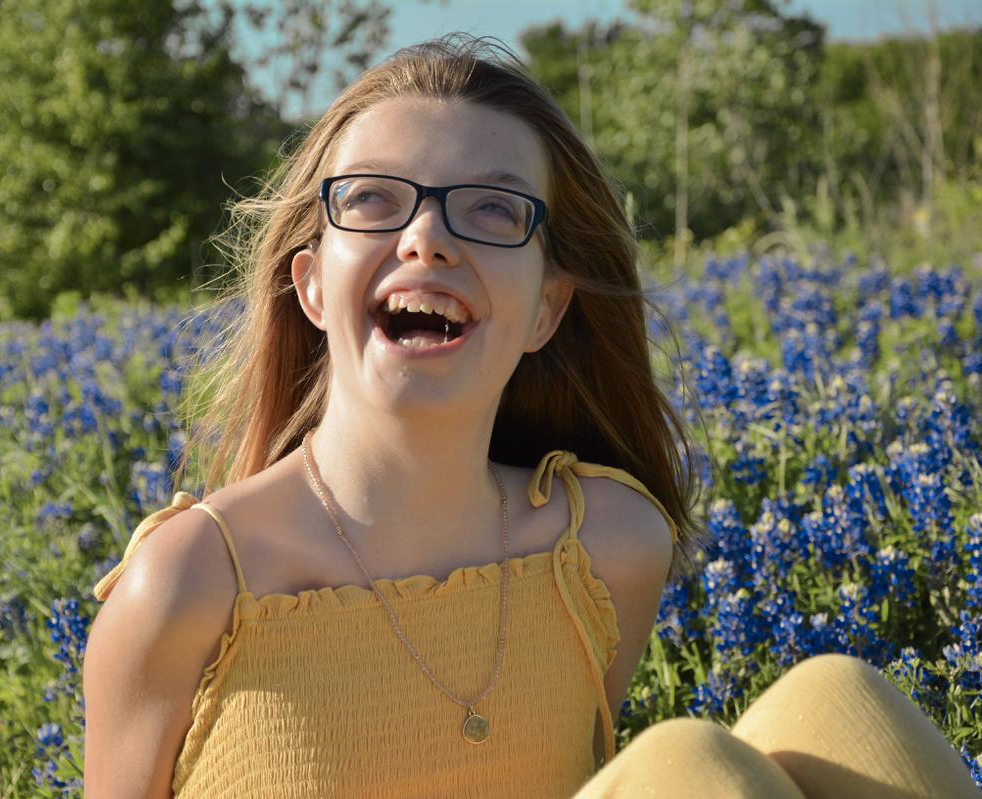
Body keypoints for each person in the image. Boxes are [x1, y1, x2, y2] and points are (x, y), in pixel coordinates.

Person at [81, 35, 979, 799]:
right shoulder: (191, 580)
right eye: (372, 199)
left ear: (548, 307)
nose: (427, 237)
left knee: (834, 696)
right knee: (681, 764)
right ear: (312, 283)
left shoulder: (607, 547)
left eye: (492, 210)